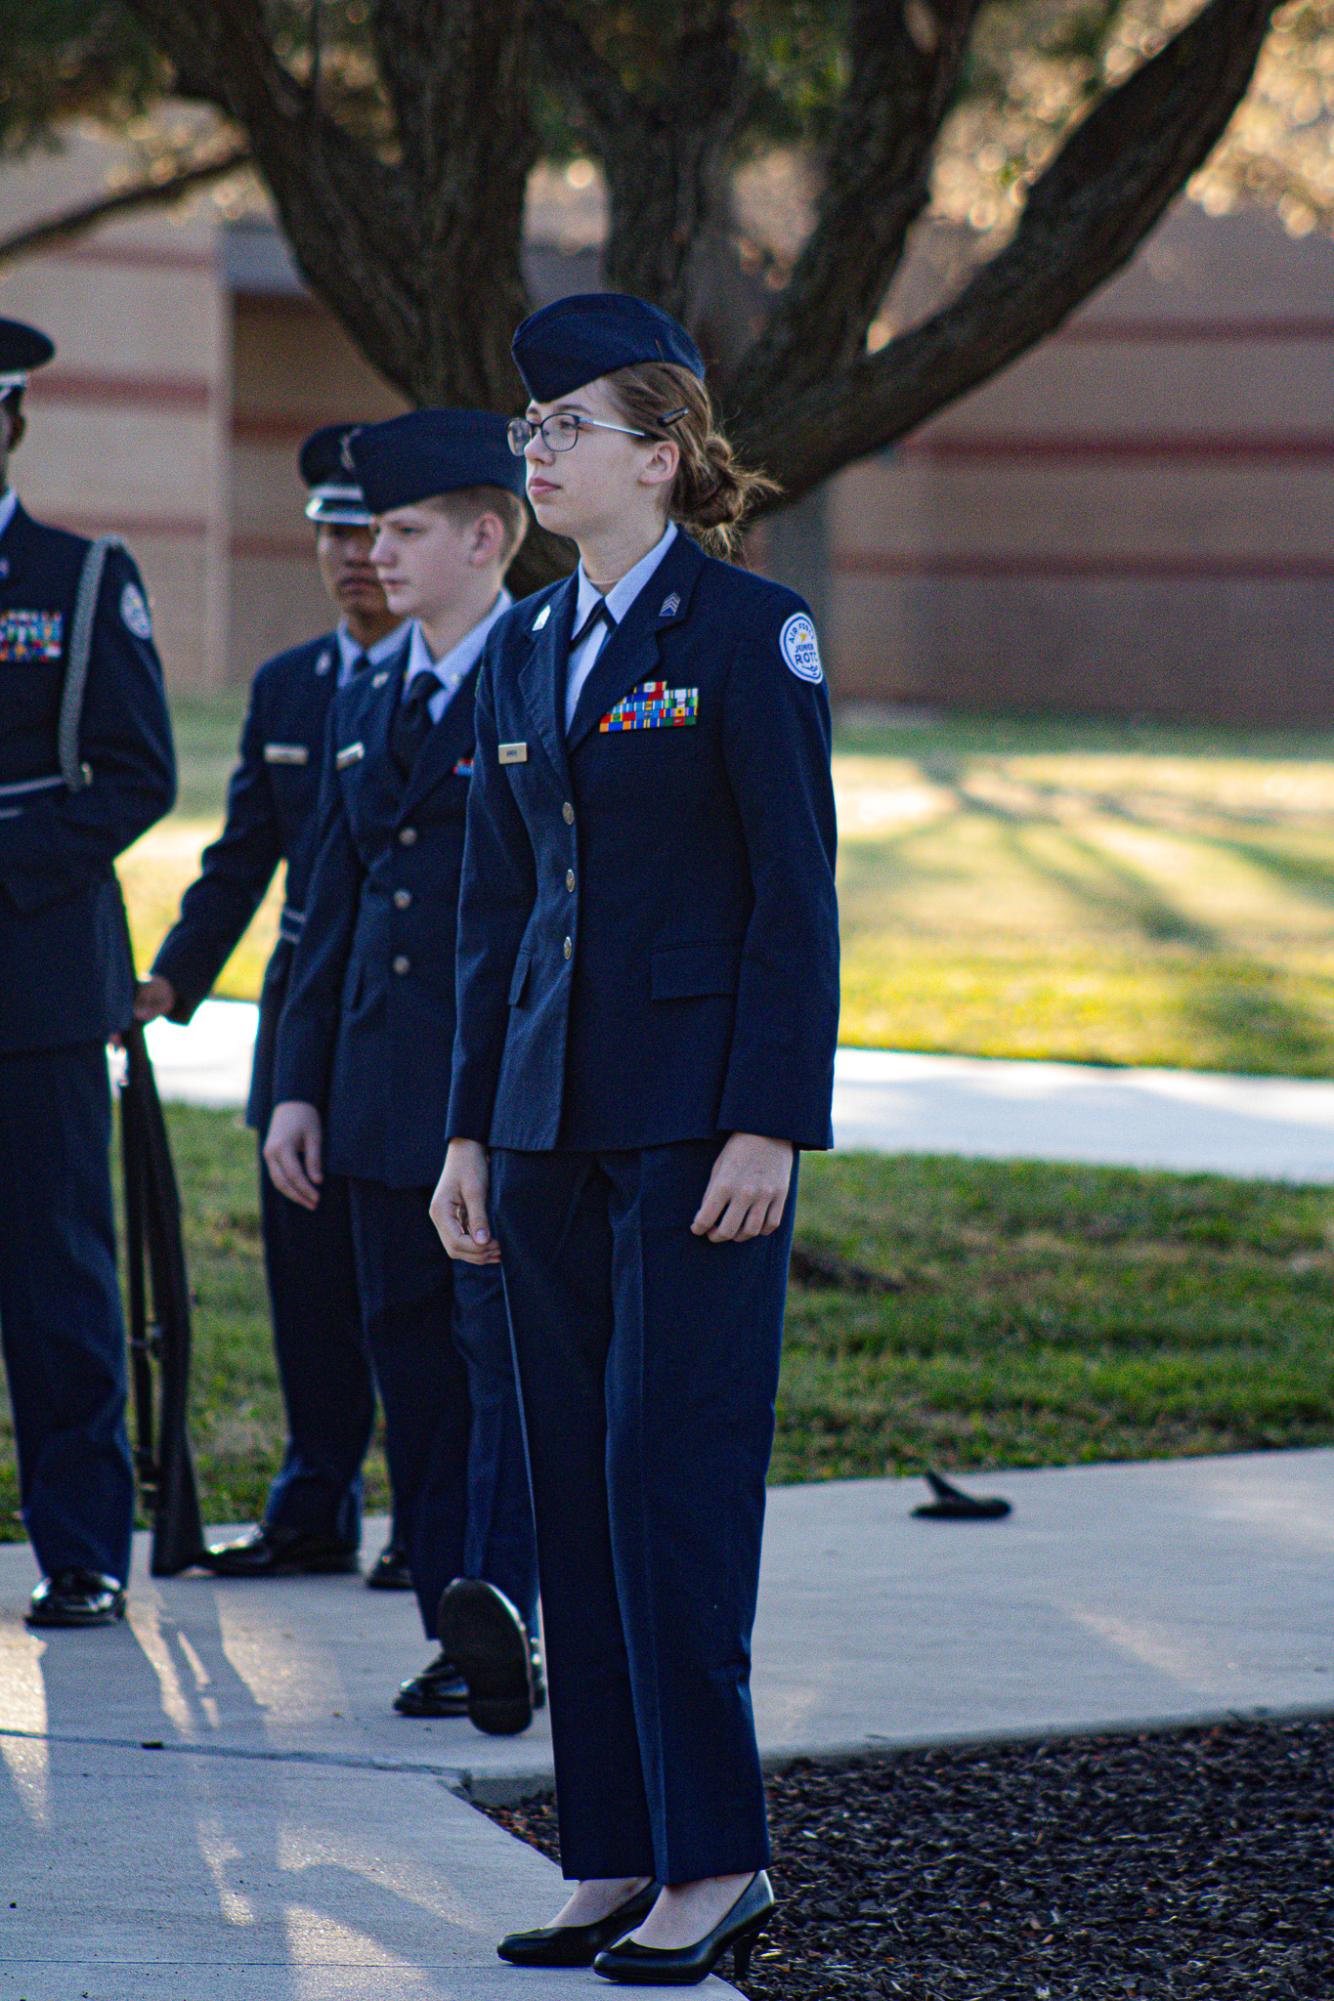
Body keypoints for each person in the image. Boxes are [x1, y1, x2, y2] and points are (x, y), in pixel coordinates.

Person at [432, 292, 840, 1983]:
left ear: (657, 457)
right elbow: (494, 912)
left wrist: (767, 1121)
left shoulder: (751, 633)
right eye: (524, 432)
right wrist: (466, 1130)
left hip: (691, 1131)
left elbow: (791, 898)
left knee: (666, 1485)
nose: (533, 454)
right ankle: (607, 1851)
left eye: (562, 431)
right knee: (576, 1496)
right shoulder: (525, 647)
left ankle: (711, 1860)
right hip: (540, 1128)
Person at [266, 409, 541, 1728]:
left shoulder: (538, 671)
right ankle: (453, 1618)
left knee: (496, 1366)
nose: (375, 552)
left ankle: (500, 1611)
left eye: (404, 529)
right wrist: (297, 1085)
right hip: (377, 1100)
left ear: (485, 540)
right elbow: (330, 898)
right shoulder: (374, 688)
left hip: (481, 1100)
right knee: (414, 1372)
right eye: (373, 529)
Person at [136, 426, 412, 1589]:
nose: (353, 554)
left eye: (373, 531)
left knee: (418, 1282)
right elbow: (243, 854)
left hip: (411, 1025)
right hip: (305, 1021)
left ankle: (435, 1524)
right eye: (333, 531)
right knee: (306, 1273)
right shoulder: (291, 685)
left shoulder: (467, 671)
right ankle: (315, 1502)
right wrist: (171, 979)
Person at [0, 317, 176, 1627]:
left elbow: (138, 772)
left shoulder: (79, 575)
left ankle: (81, 1545)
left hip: (37, 980)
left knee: (57, 1272)